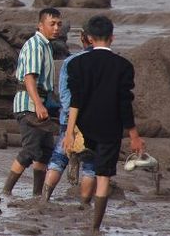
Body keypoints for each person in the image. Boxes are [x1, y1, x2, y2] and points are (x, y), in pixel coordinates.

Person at [63, 15, 145, 234]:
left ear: (89, 38)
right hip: (110, 129)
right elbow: (124, 103)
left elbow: (75, 101)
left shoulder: (77, 64)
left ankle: (83, 202)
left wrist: (69, 132)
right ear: (112, 37)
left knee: (88, 167)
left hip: (84, 127)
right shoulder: (123, 66)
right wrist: (134, 135)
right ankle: (95, 226)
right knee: (103, 176)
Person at [2, 8, 62, 197]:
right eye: (52, 24)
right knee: (30, 150)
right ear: (40, 25)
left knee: (45, 151)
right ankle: (6, 191)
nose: (56, 28)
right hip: (29, 105)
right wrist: (38, 104)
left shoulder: (46, 46)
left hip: (39, 104)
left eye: (59, 24)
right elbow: (29, 78)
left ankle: (37, 194)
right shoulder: (35, 45)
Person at [42, 31, 95, 204]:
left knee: (58, 158)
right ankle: (84, 205)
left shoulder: (71, 61)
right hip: (94, 121)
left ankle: (44, 199)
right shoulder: (107, 62)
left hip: (69, 119)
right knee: (90, 165)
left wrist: (69, 114)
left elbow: (64, 94)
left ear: (82, 38)